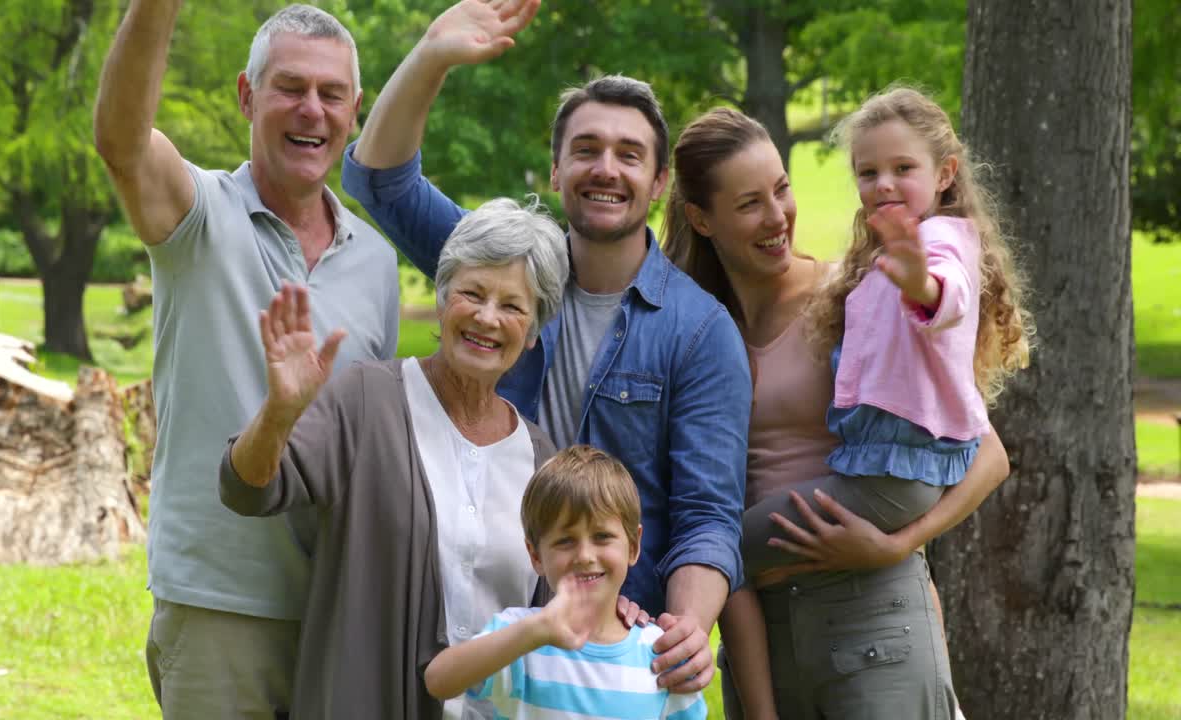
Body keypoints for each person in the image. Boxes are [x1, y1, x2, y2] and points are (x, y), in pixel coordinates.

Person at [342, 0, 752, 691]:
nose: (606, 169)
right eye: (586, 150)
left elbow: (708, 515)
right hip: (478, 622)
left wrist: (681, 630)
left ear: (657, 185)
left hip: (608, 656)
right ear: (556, 169)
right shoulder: (503, 269)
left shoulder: (701, 333)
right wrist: (432, 55)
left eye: (629, 155)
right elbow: (379, 182)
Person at [661, 98, 1028, 719]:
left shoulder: (854, 300)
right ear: (701, 219)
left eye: (781, 190)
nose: (778, 216)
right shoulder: (688, 328)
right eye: (750, 203)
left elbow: (986, 454)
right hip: (761, 632)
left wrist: (897, 544)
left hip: (871, 617)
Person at [94, 4, 398, 717]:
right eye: (290, 87)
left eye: (331, 94)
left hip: (340, 611)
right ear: (246, 96)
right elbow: (121, 141)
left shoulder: (378, 263)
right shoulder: (198, 214)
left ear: (356, 110)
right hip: (220, 609)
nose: (311, 111)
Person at [221, 198, 574, 719]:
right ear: (442, 297)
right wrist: (278, 412)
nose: (486, 317)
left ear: (533, 332)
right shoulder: (368, 399)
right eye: (471, 293)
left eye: (512, 306)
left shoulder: (541, 457)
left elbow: (562, 606)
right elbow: (247, 489)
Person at [425, 445, 708, 719]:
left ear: (633, 546)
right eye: (565, 541)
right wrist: (534, 631)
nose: (585, 556)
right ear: (535, 556)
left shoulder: (664, 655)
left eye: (602, 537)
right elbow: (438, 681)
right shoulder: (522, 639)